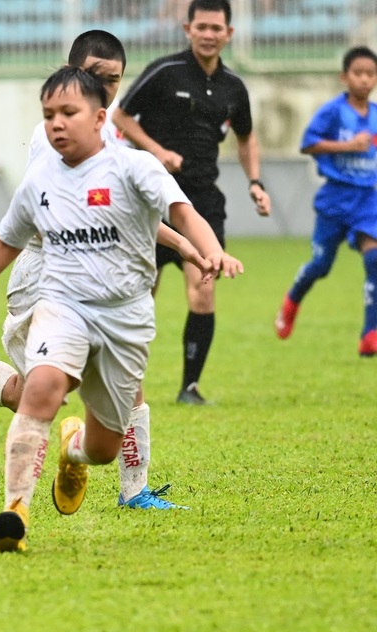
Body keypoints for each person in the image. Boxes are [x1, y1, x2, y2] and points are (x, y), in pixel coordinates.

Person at [0, 67, 242, 552]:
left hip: (124, 320)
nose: (56, 123)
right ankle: (15, 512)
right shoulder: (40, 180)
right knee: (41, 390)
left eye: (68, 112)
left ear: (99, 118)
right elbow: (5, 241)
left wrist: (211, 249)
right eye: (48, 114)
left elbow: (183, 213)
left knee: (102, 448)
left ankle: (73, 452)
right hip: (63, 308)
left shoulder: (135, 167)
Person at [113, 0, 271, 405]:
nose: (208, 34)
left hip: (201, 201)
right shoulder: (165, 71)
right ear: (187, 29)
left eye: (216, 28)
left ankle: (190, 387)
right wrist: (157, 152)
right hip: (151, 199)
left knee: (204, 292)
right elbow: (121, 117)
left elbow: (246, 137)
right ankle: (126, 382)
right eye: (201, 27)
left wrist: (255, 182)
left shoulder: (234, 87)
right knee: (140, 296)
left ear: (229, 34)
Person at [275, 46, 377, 356]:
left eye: (370, 74)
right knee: (321, 265)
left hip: (367, 200)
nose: (364, 79)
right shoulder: (333, 111)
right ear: (345, 77)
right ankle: (292, 301)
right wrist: (347, 146)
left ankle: (369, 335)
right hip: (335, 199)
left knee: (374, 260)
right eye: (358, 73)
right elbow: (308, 144)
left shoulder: (375, 114)